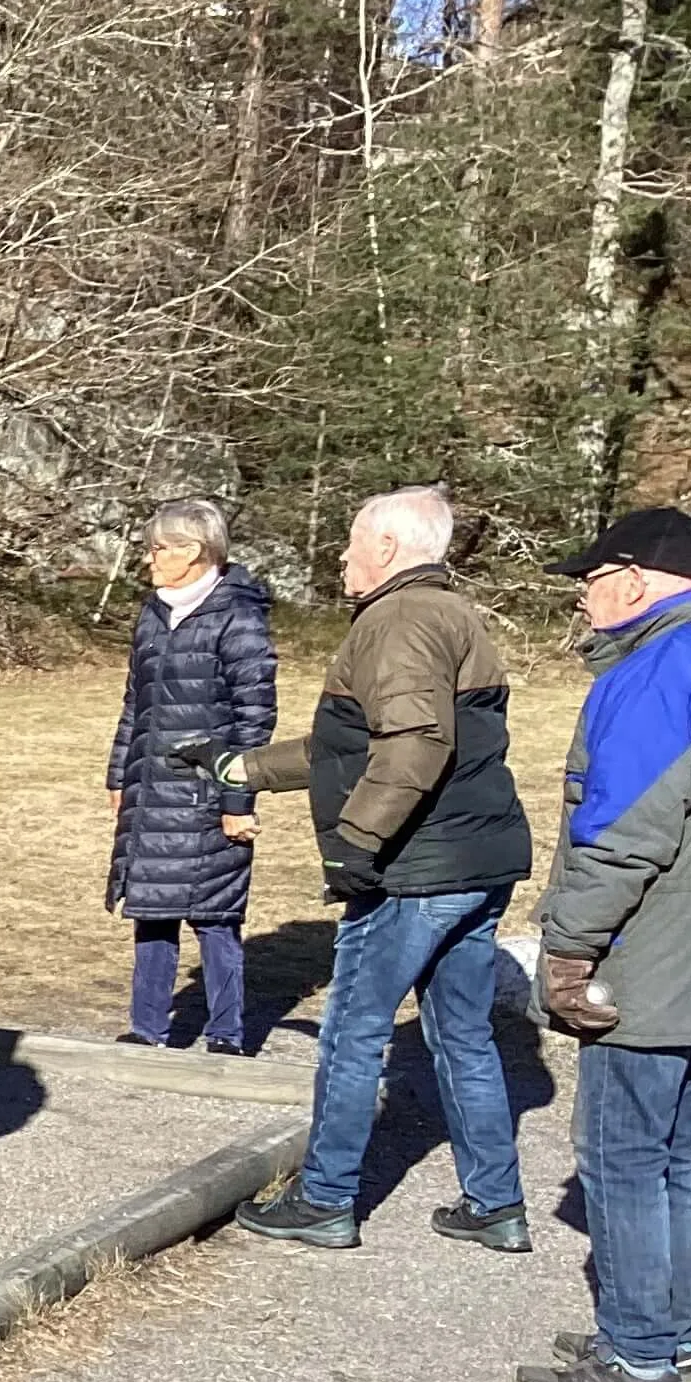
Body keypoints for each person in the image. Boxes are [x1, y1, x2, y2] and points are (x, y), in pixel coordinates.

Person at [171, 487, 532, 1250]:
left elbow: (415, 745)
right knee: (462, 1035)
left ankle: (327, 1197)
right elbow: (354, 748)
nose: (341, 556)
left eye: (351, 542)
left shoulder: (399, 622)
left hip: (416, 869)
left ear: (391, 548)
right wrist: (242, 766)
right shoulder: (450, 613)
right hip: (476, 861)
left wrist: (356, 845)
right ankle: (495, 1202)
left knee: (353, 1032)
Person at [519, 507, 691, 1382]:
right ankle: (672, 1330)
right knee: (689, 1160)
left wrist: (571, 949)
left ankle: (637, 1360)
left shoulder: (658, 672)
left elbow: (622, 835)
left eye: (591, 579)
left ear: (636, 578)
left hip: (653, 961)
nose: (583, 598)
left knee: (623, 1158)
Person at [106, 497, 275, 1054]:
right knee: (151, 910)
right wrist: (118, 776)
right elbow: (137, 702)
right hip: (150, 789)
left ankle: (226, 1033)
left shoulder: (239, 616)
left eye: (158, 548)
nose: (149, 559)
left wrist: (238, 799)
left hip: (208, 791)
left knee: (215, 915)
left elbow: (255, 718)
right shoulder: (153, 612)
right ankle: (146, 1028)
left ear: (193, 552)